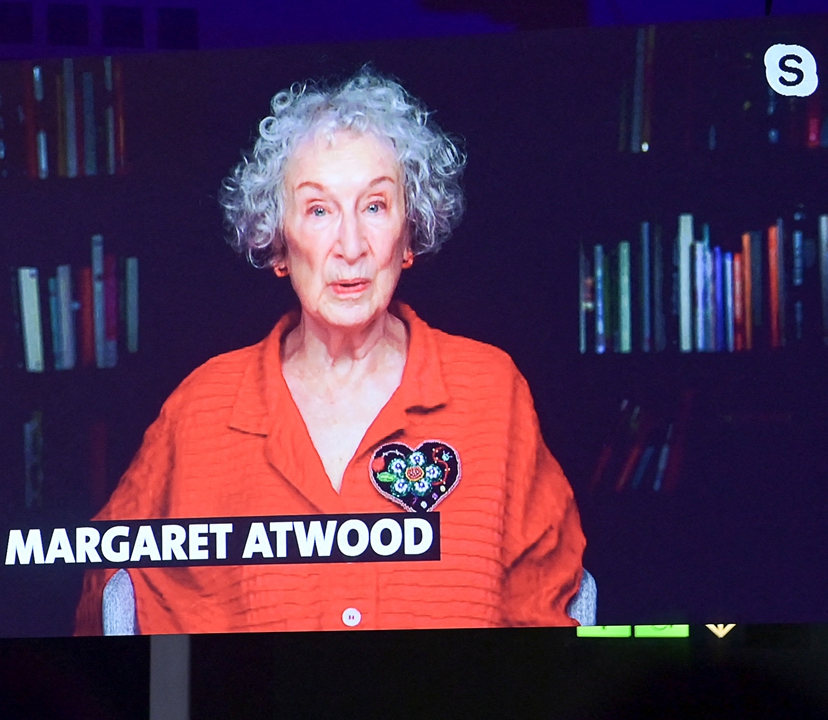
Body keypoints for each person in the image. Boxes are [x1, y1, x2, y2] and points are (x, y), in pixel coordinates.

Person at [74, 67, 585, 634]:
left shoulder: (491, 390)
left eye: (375, 207)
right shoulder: (202, 407)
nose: (350, 247)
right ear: (278, 244)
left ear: (409, 235)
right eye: (319, 211)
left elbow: (548, 605)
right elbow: (111, 591)